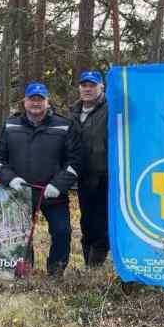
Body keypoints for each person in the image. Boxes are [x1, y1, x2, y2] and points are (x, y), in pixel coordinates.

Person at [0, 82, 83, 276]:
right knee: (20, 236)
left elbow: (76, 160)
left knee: (62, 232)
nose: (36, 103)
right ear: (25, 102)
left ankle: (55, 272)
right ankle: (24, 272)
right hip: (19, 194)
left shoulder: (64, 125)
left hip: (52, 194)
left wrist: (58, 185)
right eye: (32, 99)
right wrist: (10, 179)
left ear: (47, 102)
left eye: (40, 99)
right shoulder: (9, 125)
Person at [70, 70, 109, 266]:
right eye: (84, 85)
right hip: (84, 177)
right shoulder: (73, 111)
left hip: (107, 176)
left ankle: (95, 267)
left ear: (101, 87)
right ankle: (88, 266)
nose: (87, 89)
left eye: (92, 85)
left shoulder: (112, 107)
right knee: (87, 223)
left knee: (102, 224)